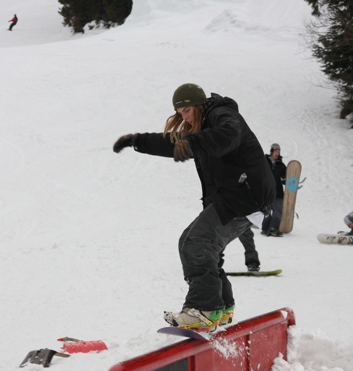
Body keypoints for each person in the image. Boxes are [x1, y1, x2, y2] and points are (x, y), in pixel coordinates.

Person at [113, 83, 275, 331]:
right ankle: (221, 308)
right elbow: (174, 142)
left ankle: (204, 310)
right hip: (233, 198)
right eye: (180, 113)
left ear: (199, 105)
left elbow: (228, 135)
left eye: (187, 110)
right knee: (189, 241)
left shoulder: (224, 116)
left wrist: (193, 143)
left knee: (198, 244)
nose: (184, 117)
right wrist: (137, 141)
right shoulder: (202, 129)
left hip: (244, 197)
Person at [261, 143, 287, 237]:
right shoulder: (264, 162)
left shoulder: (281, 165)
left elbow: (285, 179)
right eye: (276, 151)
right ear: (271, 151)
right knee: (266, 211)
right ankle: (265, 228)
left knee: (278, 211)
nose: (277, 153)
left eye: (278, 151)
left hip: (278, 192)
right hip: (266, 192)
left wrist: (290, 183)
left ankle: (273, 228)